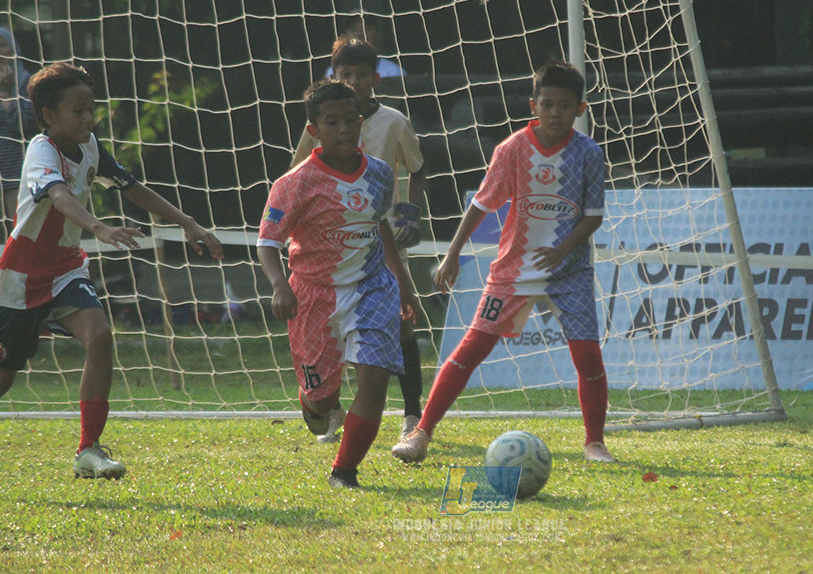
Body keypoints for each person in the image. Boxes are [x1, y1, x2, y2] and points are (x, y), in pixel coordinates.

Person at [0, 62, 223, 478]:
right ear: (48, 115)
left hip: (65, 269)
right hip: (20, 278)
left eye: (91, 109)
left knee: (100, 335)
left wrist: (188, 223)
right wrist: (99, 227)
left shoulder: (90, 146)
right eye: (78, 110)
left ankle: (88, 450)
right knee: (0, 380)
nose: (88, 118)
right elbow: (58, 196)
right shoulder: (41, 150)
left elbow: (132, 187)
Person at [392, 61, 616, 465]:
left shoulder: (588, 153)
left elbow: (593, 216)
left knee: (587, 357)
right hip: (513, 272)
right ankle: (421, 432)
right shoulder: (513, 149)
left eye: (565, 106)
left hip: (570, 273)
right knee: (471, 349)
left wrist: (562, 250)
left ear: (580, 109)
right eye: (547, 105)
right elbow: (481, 204)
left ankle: (595, 442)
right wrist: (453, 253)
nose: (555, 113)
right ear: (533, 106)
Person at [259, 80, 418, 490]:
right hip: (313, 296)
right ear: (314, 130)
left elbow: (379, 225)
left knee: (375, 379)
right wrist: (279, 285)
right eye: (333, 122)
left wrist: (403, 284)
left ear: (361, 121)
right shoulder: (294, 184)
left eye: (351, 120)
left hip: (371, 288)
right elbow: (268, 242)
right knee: (321, 401)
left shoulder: (379, 174)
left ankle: (344, 471)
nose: (345, 129)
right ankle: (316, 405)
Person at [293, 36, 426, 444]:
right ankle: (331, 409)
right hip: (333, 244)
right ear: (333, 76)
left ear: (376, 78)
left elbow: (418, 167)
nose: (353, 81)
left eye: (362, 74)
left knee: (401, 324)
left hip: (381, 237)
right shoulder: (321, 120)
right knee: (332, 331)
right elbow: (297, 173)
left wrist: (411, 210)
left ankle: (412, 414)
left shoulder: (394, 121)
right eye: (345, 74)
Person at [0, 27, 37, 245]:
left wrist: (7, 98)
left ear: (14, 49)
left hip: (20, 173)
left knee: (22, 234)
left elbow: (23, 126)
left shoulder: (28, 83)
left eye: (2, 45)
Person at [323, 15, 405, 79]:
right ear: (345, 34)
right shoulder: (332, 71)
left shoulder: (393, 71)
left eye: (367, 29)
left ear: (378, 34)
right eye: (354, 29)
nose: (360, 34)